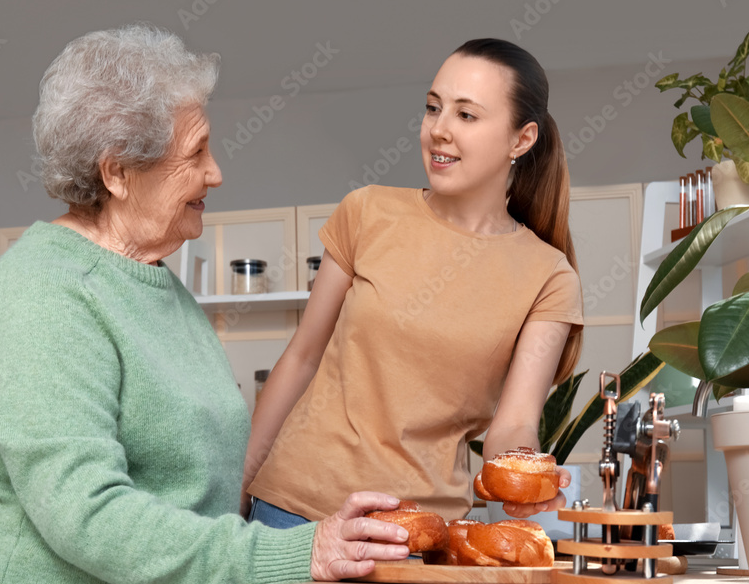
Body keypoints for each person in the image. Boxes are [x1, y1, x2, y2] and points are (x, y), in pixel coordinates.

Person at [0, 24, 409, 584]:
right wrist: (292, 554)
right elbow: (87, 514)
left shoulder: (160, 287)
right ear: (118, 172)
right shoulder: (38, 294)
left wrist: (311, 531)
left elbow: (194, 483)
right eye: (196, 152)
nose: (217, 173)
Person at [244, 38, 585, 528]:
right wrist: (238, 490)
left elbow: (513, 423)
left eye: (467, 115)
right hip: (294, 513)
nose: (439, 130)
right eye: (433, 108)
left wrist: (523, 477)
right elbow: (301, 359)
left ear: (521, 139)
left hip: (420, 534)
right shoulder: (366, 212)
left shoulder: (548, 276)